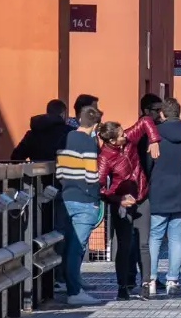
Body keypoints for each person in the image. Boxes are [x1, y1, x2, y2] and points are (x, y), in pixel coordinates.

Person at [96, 115, 160, 300]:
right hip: (123, 202)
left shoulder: (128, 140)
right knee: (124, 246)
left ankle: (146, 284)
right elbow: (99, 188)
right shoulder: (105, 158)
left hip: (142, 196)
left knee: (144, 243)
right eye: (122, 135)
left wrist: (154, 140)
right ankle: (122, 286)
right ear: (112, 140)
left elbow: (146, 120)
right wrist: (118, 199)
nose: (126, 136)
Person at [147, 98, 181, 297]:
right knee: (177, 238)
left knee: (155, 236)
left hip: (160, 190)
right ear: (180, 112)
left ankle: (151, 280)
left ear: (161, 113)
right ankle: (173, 280)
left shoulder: (154, 136)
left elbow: (148, 164)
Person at [55, 106, 103, 306]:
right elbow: (91, 175)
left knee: (64, 245)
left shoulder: (65, 138)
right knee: (77, 248)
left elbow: (59, 171)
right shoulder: (89, 142)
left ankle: (64, 282)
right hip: (85, 199)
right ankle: (75, 291)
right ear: (96, 124)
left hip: (65, 196)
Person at [127, 94, 162, 297]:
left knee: (139, 240)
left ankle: (139, 280)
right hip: (138, 191)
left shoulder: (146, 132)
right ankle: (134, 279)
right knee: (137, 240)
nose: (160, 113)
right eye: (156, 109)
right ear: (146, 111)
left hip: (140, 190)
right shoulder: (140, 134)